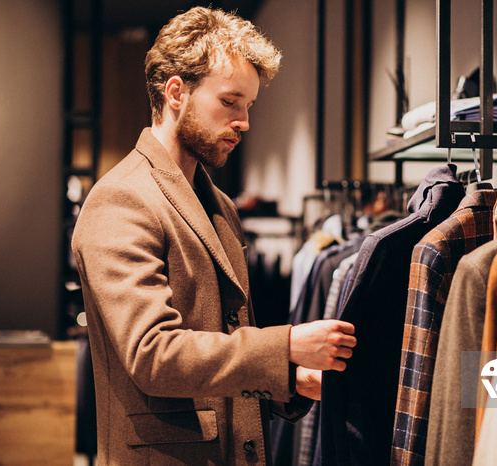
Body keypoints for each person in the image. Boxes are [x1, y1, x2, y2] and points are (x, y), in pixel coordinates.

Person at [71, 7, 356, 465]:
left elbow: (221, 341)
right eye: (230, 102)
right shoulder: (122, 199)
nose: (243, 121)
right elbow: (153, 354)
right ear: (176, 92)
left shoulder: (219, 206)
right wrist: (283, 347)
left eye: (248, 106)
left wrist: (287, 377)